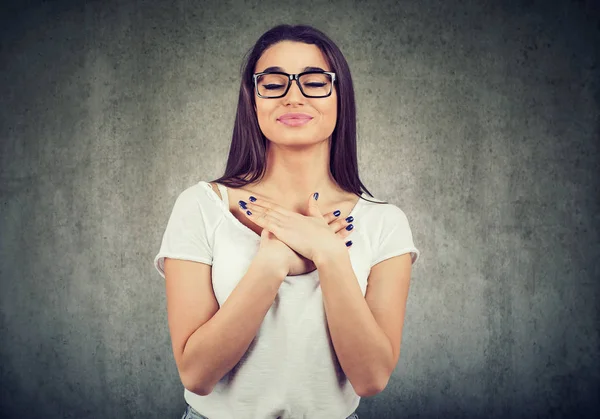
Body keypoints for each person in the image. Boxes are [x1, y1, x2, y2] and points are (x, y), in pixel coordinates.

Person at [153, 24, 420, 419]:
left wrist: (329, 254)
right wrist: (273, 263)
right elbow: (195, 374)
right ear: (253, 100)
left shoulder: (384, 223)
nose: (293, 96)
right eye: (274, 83)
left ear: (339, 97)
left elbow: (371, 378)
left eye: (314, 82)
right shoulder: (201, 206)